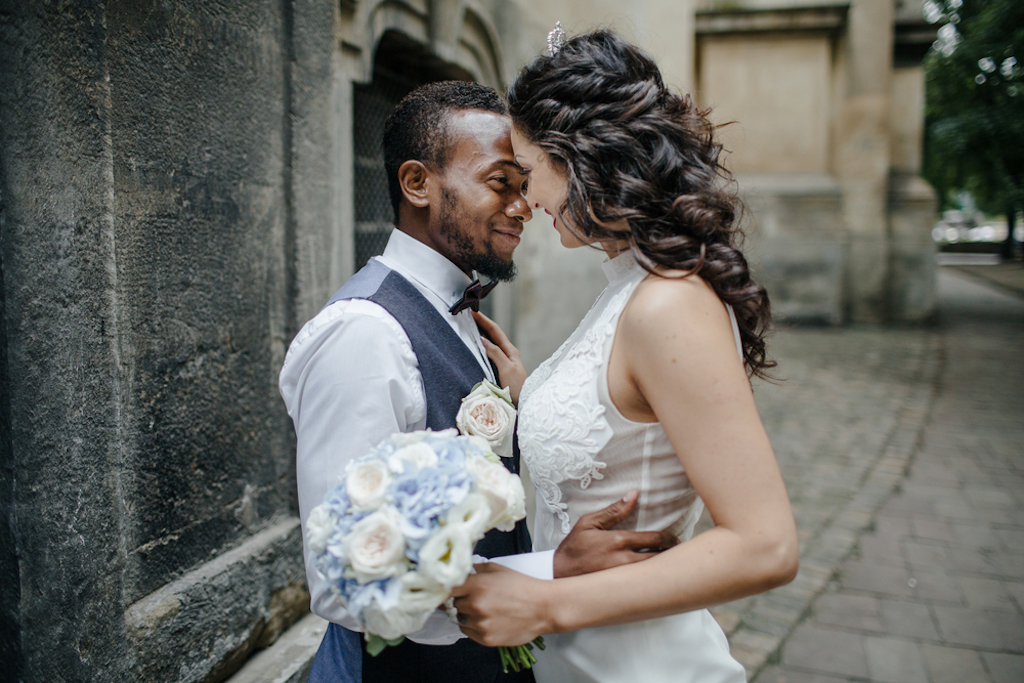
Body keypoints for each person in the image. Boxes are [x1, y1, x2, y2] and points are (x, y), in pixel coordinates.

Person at [278, 80, 677, 683]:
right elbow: (346, 583)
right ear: (417, 184)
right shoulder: (364, 335)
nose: (523, 206)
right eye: (500, 183)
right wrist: (550, 571)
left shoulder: (459, 310)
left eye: (525, 184)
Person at [450, 31, 800, 682]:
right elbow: (622, 430)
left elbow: (766, 544)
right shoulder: (629, 287)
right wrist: (535, 394)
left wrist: (549, 602)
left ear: (582, 156)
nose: (525, 201)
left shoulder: (667, 304)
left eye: (529, 173)